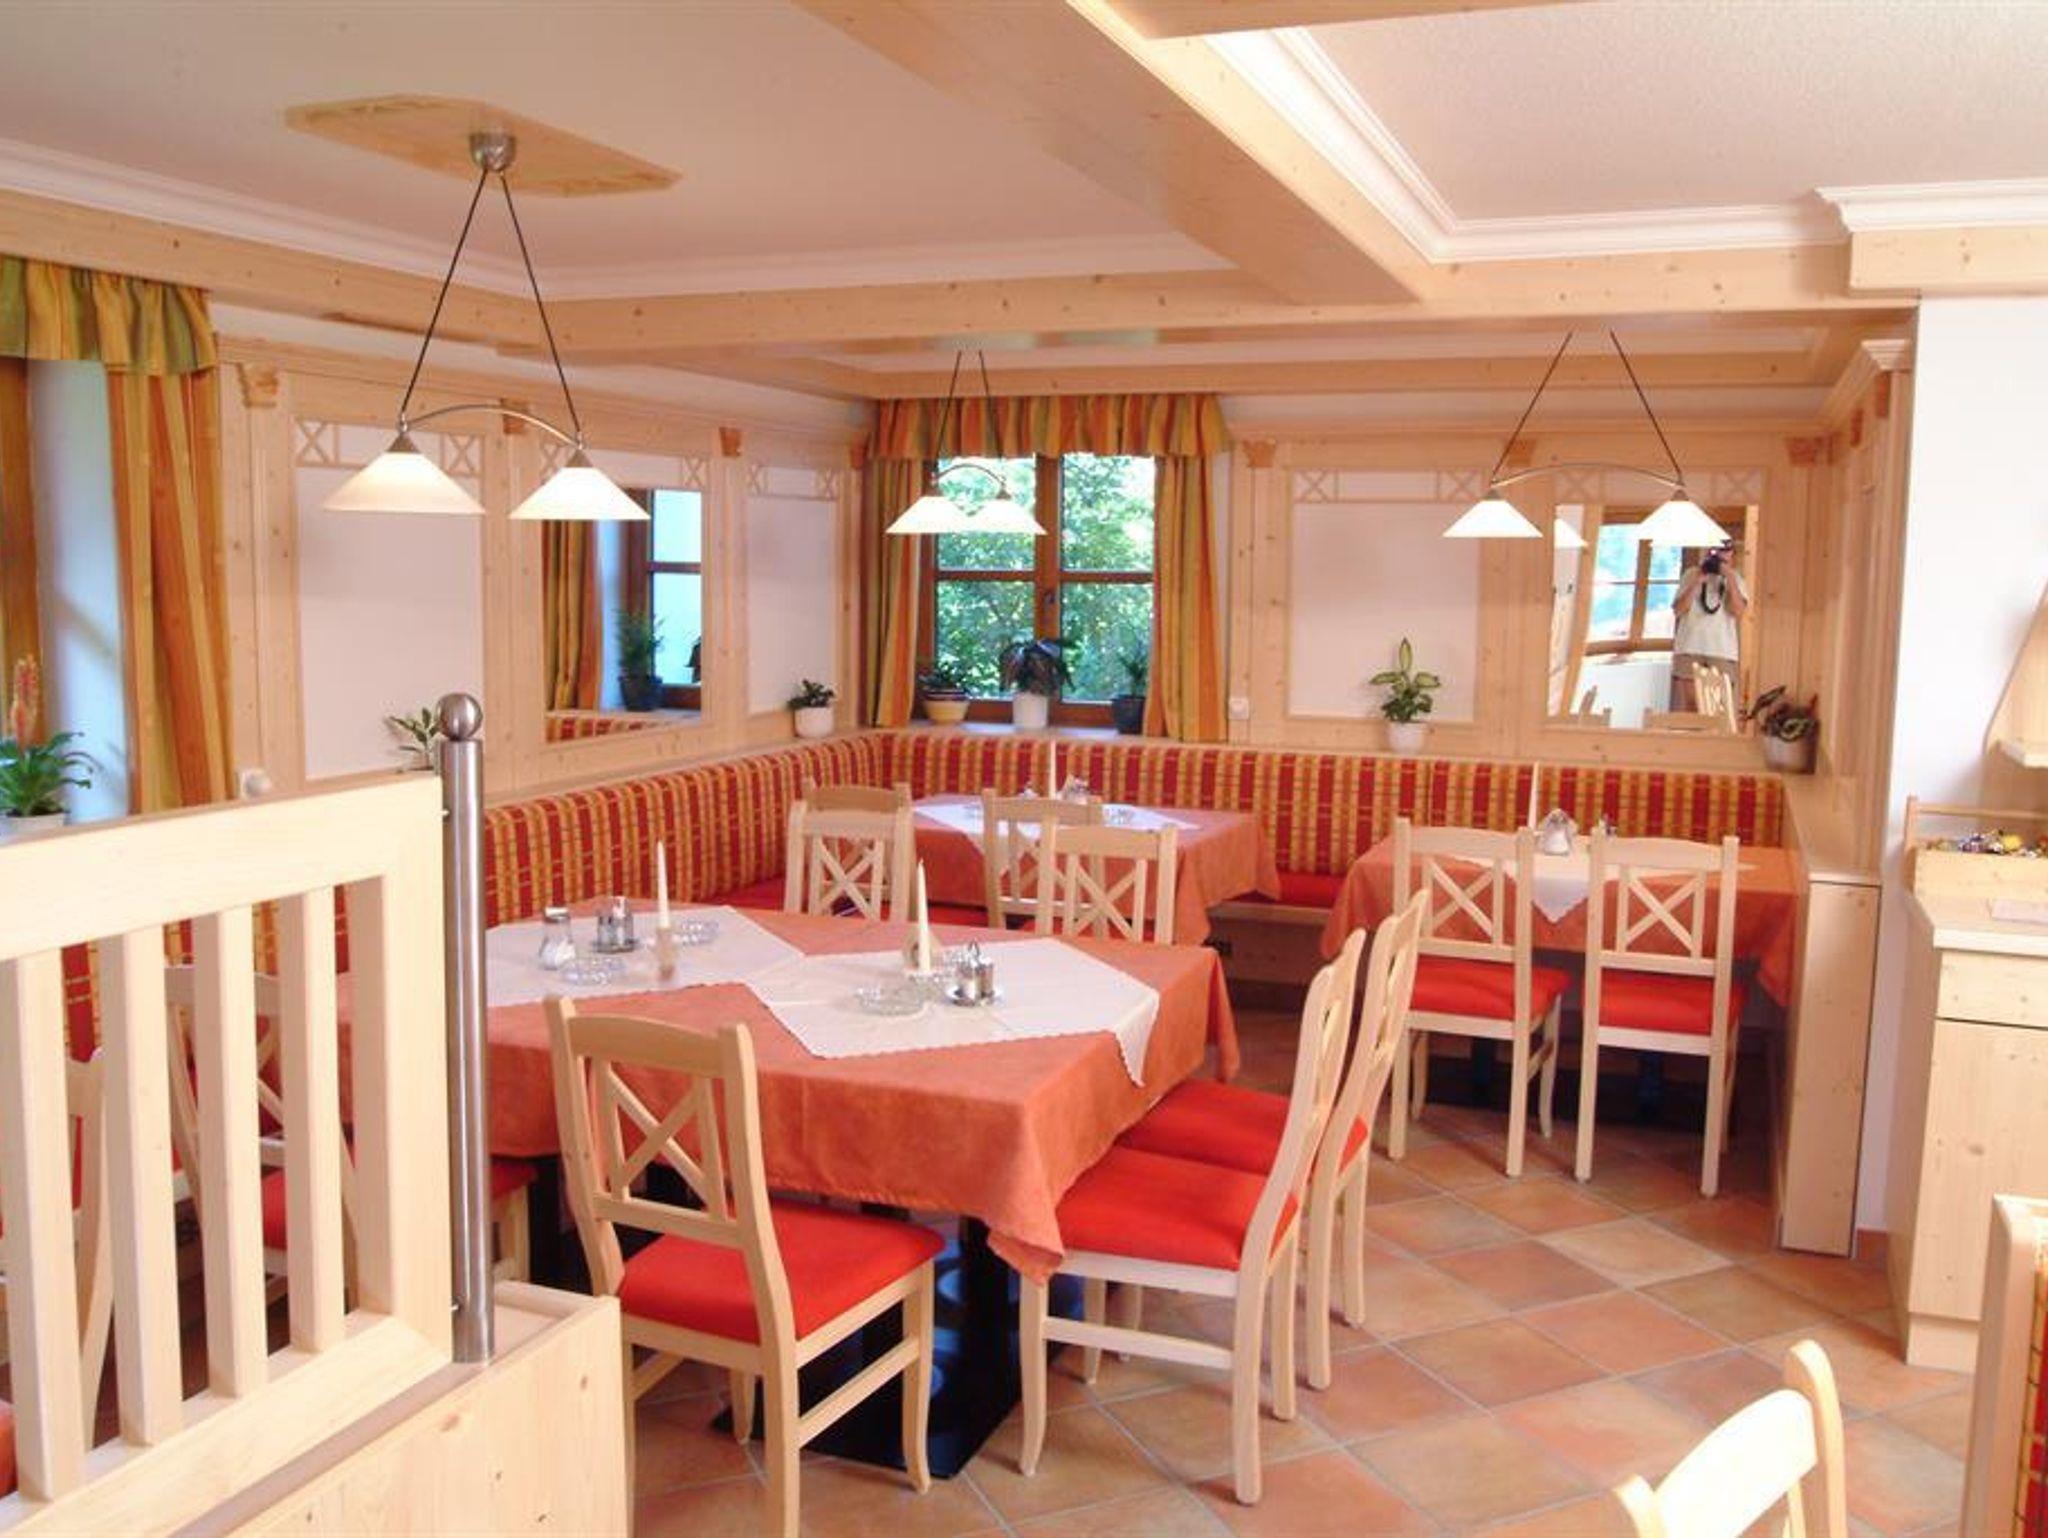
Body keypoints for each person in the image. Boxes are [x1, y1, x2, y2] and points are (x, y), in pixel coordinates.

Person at [1670, 545, 1748, 712]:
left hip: (1722, 650)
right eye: (1715, 549)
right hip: (1690, 647)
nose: (1719, 554)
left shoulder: (1736, 578)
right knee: (1692, 707)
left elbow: (1738, 611)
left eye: (1725, 550)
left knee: (1718, 708)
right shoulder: (1691, 574)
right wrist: (1697, 581)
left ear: (1732, 554)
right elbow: (1678, 610)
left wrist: (1729, 577)